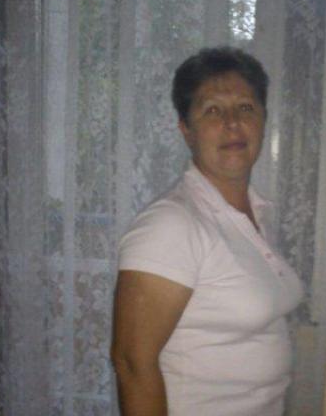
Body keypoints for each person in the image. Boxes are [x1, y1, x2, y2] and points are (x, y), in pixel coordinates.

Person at [111, 46, 303, 416]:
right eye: (212, 110)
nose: (232, 122)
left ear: (263, 120)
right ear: (186, 130)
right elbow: (132, 363)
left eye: (245, 107)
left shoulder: (255, 215)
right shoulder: (171, 225)